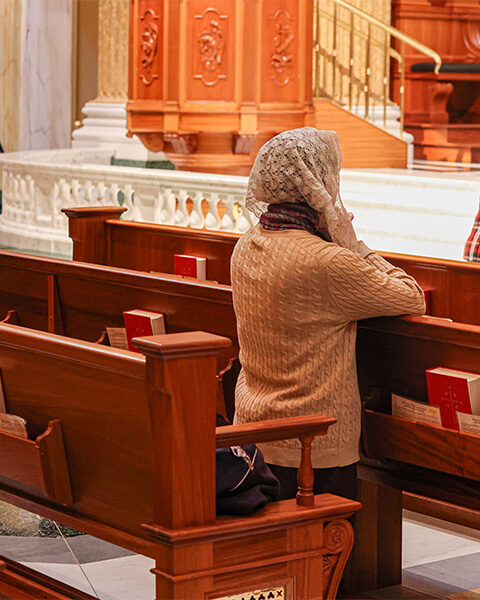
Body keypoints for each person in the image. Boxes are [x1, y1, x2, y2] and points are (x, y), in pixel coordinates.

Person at [230, 127, 425, 502]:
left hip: (255, 432)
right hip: (313, 446)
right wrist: (353, 242)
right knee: (322, 552)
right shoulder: (327, 262)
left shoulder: (247, 245)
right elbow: (411, 297)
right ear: (318, 184)